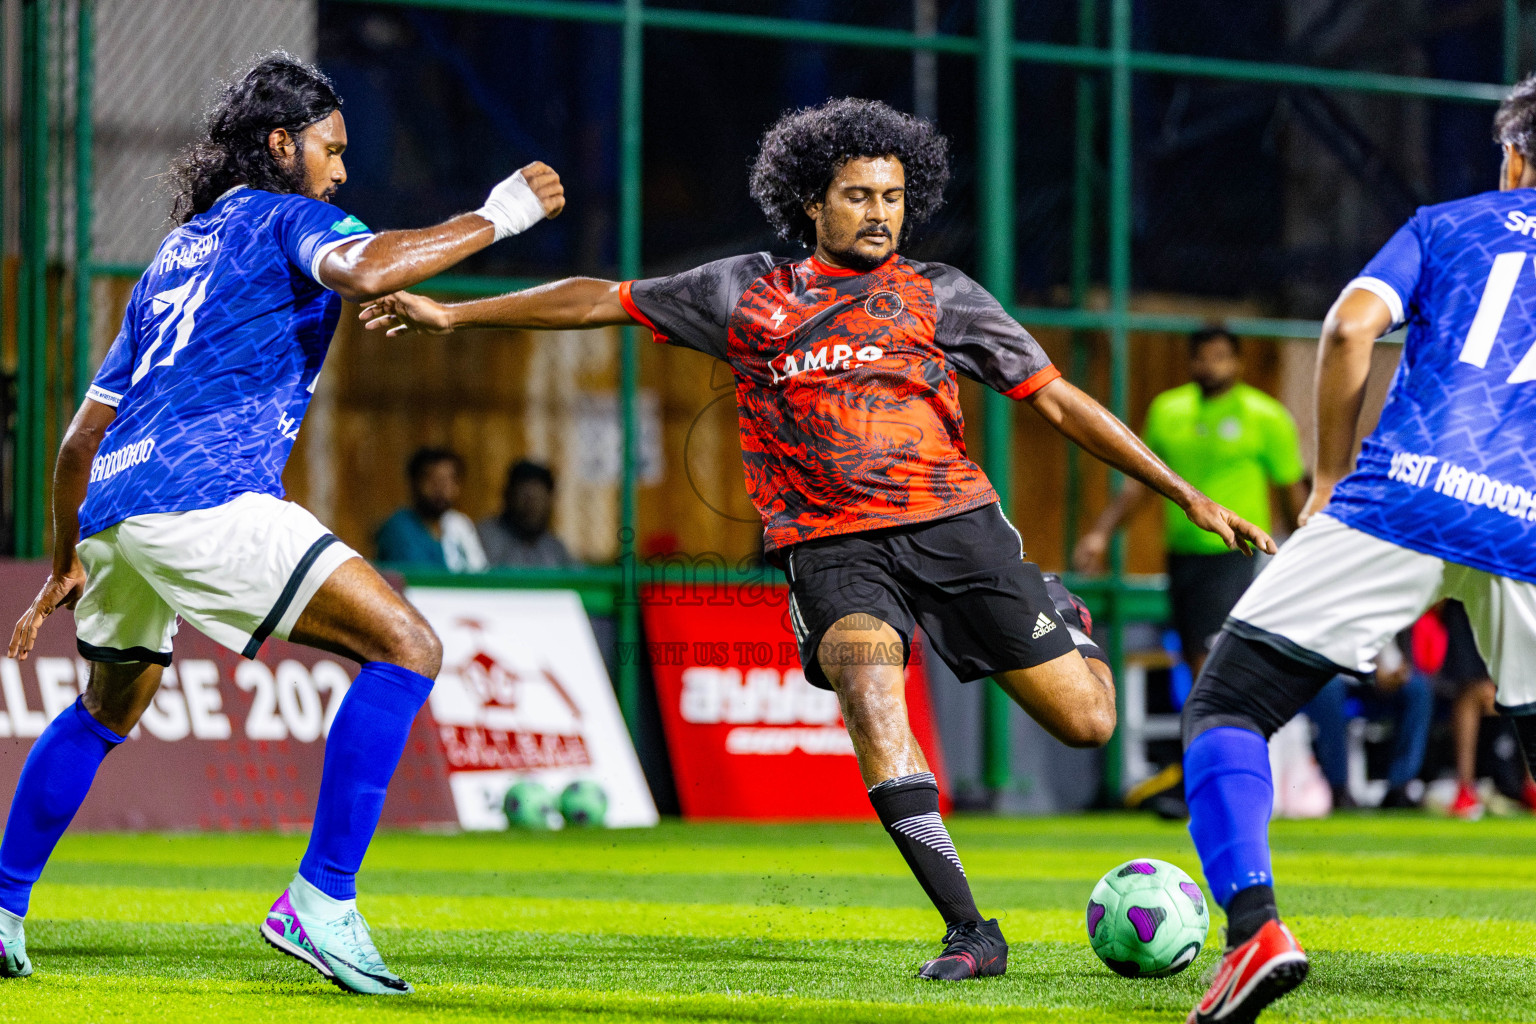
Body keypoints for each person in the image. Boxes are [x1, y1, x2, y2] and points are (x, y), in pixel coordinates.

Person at [361, 97, 1273, 980]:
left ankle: (1057, 613)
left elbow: (1058, 399)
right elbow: (601, 298)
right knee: (872, 693)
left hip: (956, 527)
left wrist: (1184, 494)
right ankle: (971, 930)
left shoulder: (940, 294)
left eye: (894, 197)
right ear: (812, 201)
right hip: (831, 547)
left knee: (1089, 723)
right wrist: (454, 313)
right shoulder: (746, 291)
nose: (881, 215)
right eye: (859, 196)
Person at [0, 53, 565, 991]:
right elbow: (369, 264)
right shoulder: (285, 216)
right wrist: (500, 212)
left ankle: (4, 906)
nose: (340, 171)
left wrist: (65, 558)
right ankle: (322, 899)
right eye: (330, 150)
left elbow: (75, 440)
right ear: (281, 143)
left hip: (114, 506)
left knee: (109, 705)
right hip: (205, 496)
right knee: (408, 647)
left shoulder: (176, 255)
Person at [1174, 76, 1536, 1023]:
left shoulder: (1450, 223)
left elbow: (1350, 325)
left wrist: (1330, 474)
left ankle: (1254, 929)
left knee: (1230, 705)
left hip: (1405, 495)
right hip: (1531, 525)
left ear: (1515, 158)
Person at [1075, 326, 1307, 676]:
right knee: (1192, 657)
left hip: (1234, 555)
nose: (1210, 366)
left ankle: (1216, 728)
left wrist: (1303, 547)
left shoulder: (1266, 416)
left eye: (1220, 357)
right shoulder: (1168, 410)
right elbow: (1140, 484)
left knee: (1211, 661)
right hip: (1181, 554)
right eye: (1202, 357)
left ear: (1238, 362)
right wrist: (1101, 533)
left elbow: (1292, 491)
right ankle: (1212, 728)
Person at [1303, 634, 1431, 810]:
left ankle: (1399, 787)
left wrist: (1400, 669)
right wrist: (1372, 674)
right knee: (1328, 690)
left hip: (1384, 681)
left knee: (1418, 689)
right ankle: (1338, 788)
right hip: (1345, 676)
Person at [376, 447, 487, 572]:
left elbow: (479, 573)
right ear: (415, 482)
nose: (441, 489)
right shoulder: (398, 528)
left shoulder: (459, 524)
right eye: (433, 480)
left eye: (448, 481)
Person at [477, 459, 575, 567]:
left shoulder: (554, 548)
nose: (531, 507)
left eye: (538, 499)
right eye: (526, 498)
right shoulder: (484, 539)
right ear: (509, 496)